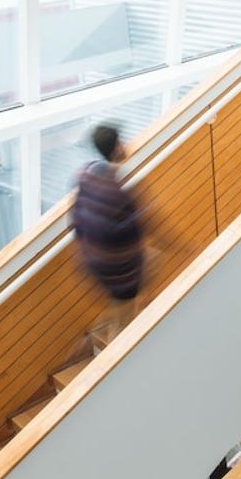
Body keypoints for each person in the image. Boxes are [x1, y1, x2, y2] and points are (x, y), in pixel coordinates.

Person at [72, 125, 144, 335]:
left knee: (122, 306)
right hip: (119, 269)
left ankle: (116, 321)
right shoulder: (119, 190)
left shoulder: (86, 174)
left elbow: (76, 217)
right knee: (124, 320)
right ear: (116, 149)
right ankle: (119, 344)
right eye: (121, 141)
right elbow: (139, 229)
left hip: (93, 261)